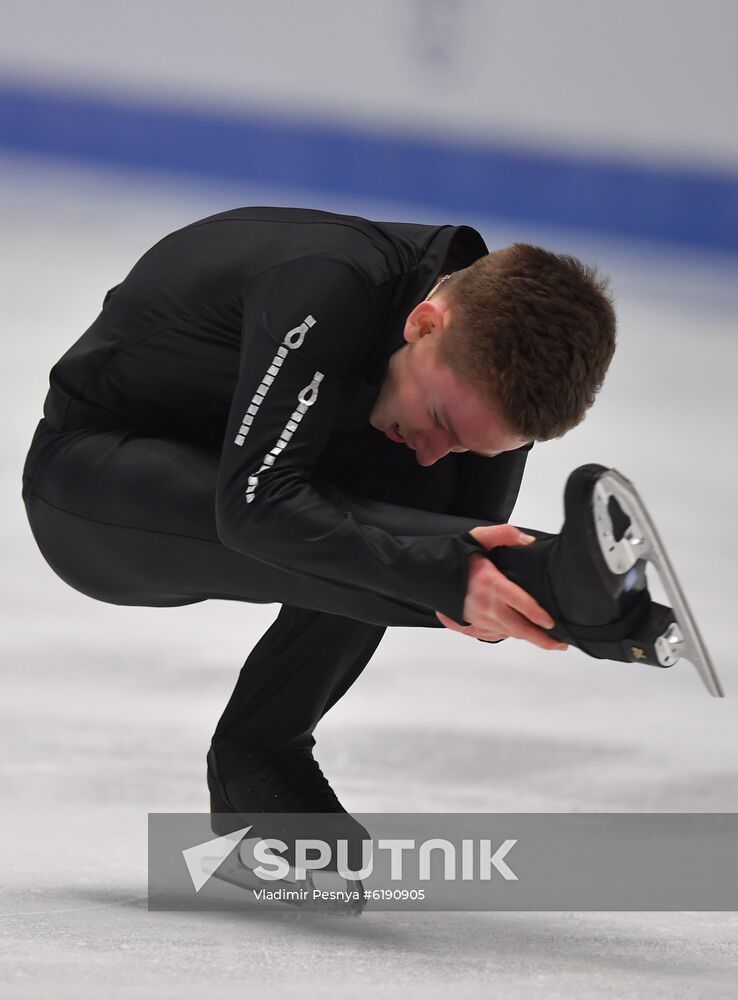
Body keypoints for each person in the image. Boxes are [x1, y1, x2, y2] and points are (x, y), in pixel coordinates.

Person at [21, 206, 658, 836]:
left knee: (421, 515)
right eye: (444, 423)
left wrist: (531, 603)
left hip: (254, 470)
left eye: (470, 447)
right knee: (407, 539)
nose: (437, 452)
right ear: (424, 323)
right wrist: (484, 575)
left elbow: (460, 539)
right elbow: (257, 506)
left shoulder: (485, 361)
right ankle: (562, 580)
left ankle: (258, 758)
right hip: (95, 483)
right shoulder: (326, 286)